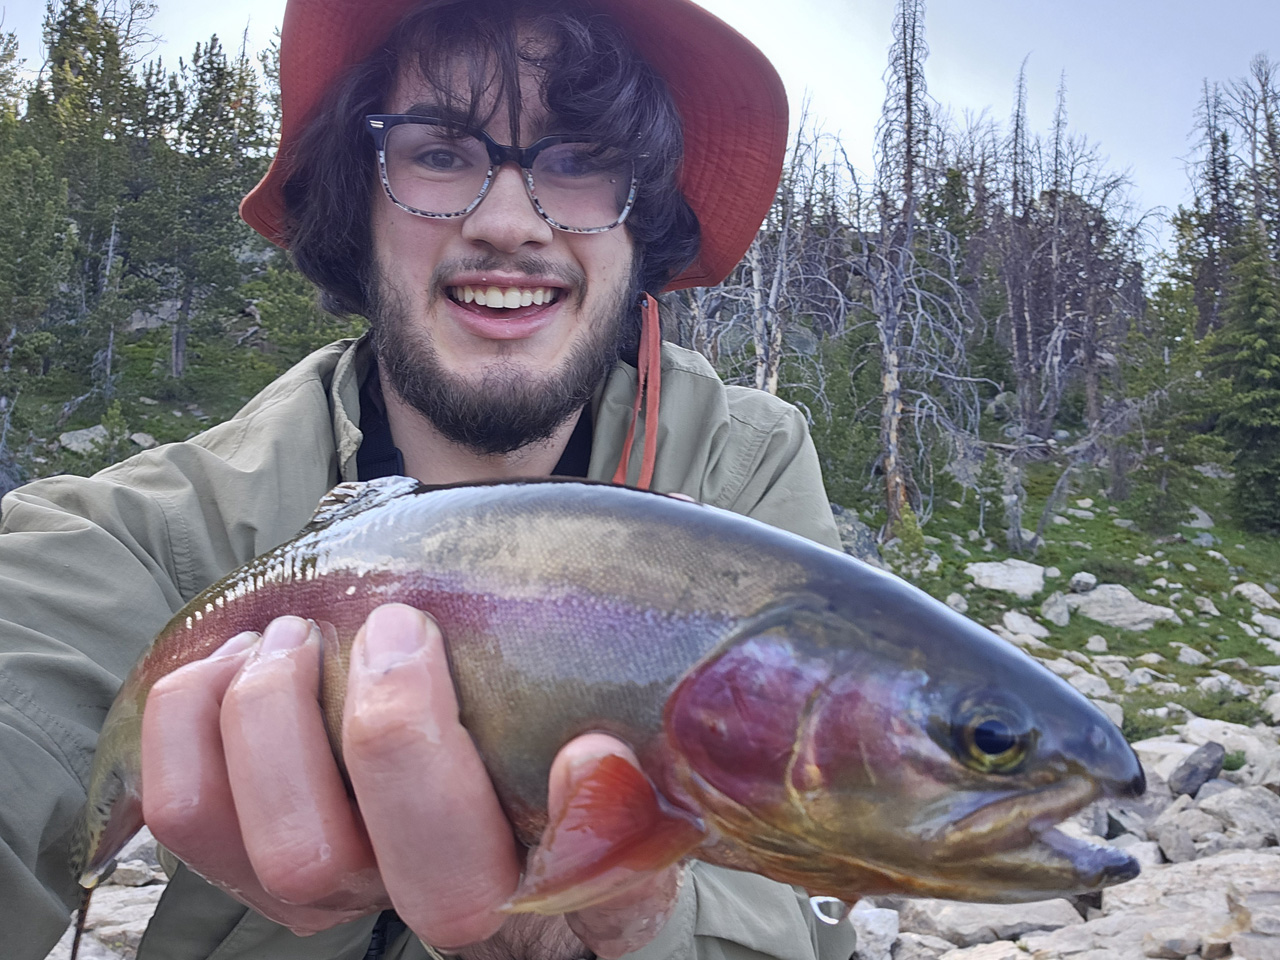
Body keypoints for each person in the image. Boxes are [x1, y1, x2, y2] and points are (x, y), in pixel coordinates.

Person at [0, 1, 854, 958]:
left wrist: (621, 930)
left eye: (579, 161)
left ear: (640, 218)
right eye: (440, 153)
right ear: (354, 201)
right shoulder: (154, 540)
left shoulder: (743, 465)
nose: (505, 221)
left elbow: (821, 899)